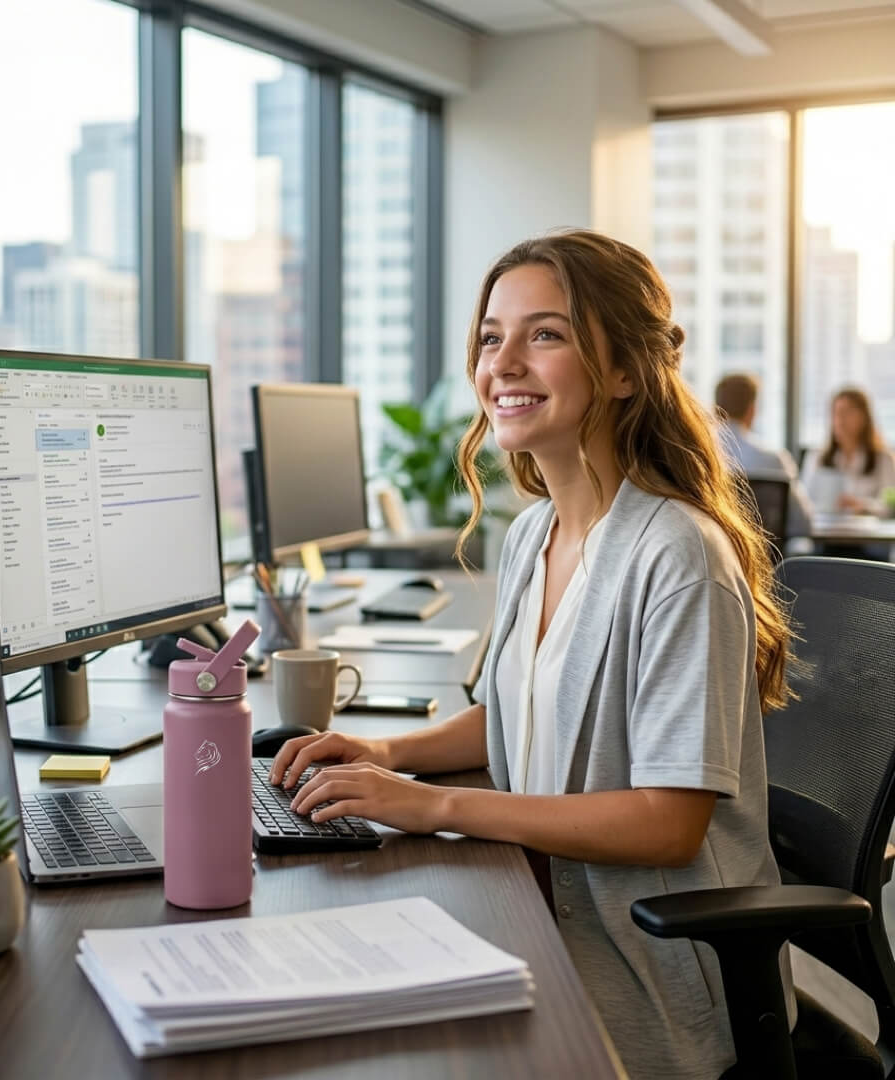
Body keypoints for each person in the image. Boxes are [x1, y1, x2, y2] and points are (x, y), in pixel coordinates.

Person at [270, 230, 795, 1080]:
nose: (503, 362)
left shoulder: (676, 554)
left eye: (544, 334)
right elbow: (516, 709)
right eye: (490, 336)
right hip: (540, 905)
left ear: (624, 370)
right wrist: (386, 752)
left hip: (647, 964)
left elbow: (669, 821)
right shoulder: (536, 532)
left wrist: (432, 806)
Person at [714, 372, 814, 538]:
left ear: (715, 408)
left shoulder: (696, 457)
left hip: (713, 555)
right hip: (765, 559)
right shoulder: (774, 459)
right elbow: (803, 525)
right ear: (752, 410)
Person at [801, 387, 895, 516]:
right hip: (824, 530)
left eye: (847, 413)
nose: (840, 420)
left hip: (867, 532)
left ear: (864, 418)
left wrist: (862, 506)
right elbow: (803, 503)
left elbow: (889, 505)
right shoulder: (817, 457)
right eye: (836, 413)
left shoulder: (883, 459)